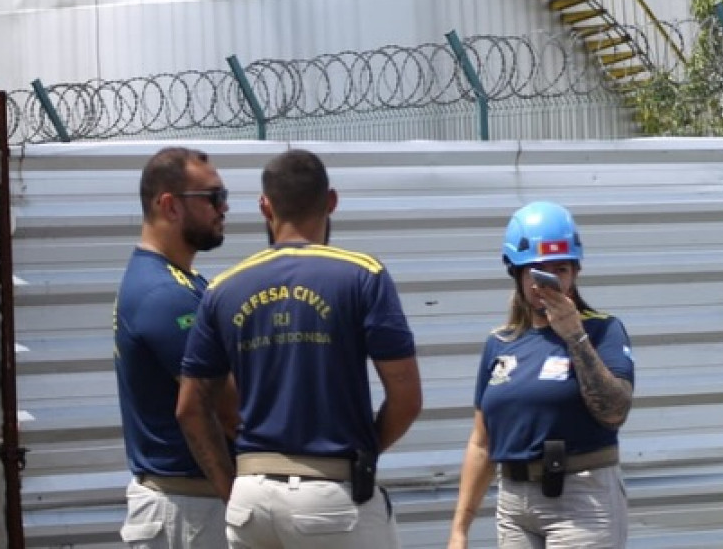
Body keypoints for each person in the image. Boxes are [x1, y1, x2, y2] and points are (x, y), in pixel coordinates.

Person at [177, 148, 422, 548]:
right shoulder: (363, 275)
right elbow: (407, 398)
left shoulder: (223, 288)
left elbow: (190, 407)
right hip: (331, 494)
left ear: (264, 207)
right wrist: (361, 456)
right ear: (331, 201)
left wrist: (232, 488)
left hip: (251, 497)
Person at [448, 201, 635, 548]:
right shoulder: (500, 343)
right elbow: (481, 441)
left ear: (575, 273)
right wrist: (460, 528)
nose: (545, 282)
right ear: (516, 273)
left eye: (559, 270)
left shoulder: (603, 331)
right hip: (514, 502)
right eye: (536, 270)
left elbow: (614, 411)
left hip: (582, 499)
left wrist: (575, 337)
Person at [114, 146, 234, 548]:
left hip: (193, 507)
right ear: (169, 206)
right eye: (213, 197)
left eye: (224, 196)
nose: (224, 208)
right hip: (189, 511)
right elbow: (225, 404)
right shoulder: (165, 293)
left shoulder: (183, 281)